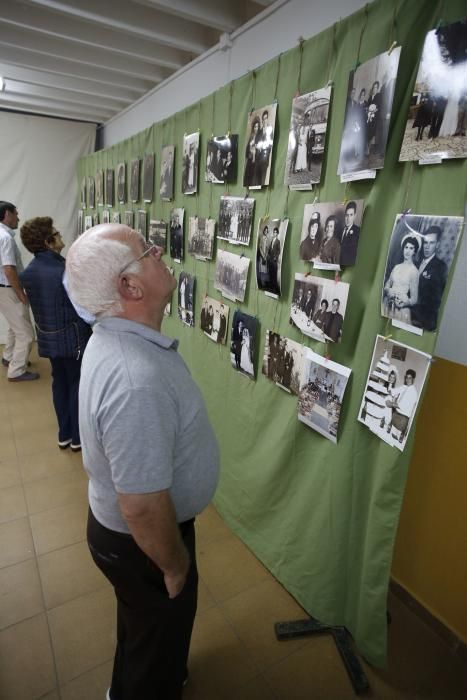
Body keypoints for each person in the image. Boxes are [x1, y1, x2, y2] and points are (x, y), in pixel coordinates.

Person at [65, 223, 220, 700]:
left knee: (145, 628)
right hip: (143, 542)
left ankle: (135, 682)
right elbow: (143, 505)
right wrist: (173, 567)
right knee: (157, 635)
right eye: (148, 251)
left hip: (129, 537)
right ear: (129, 287)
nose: (159, 253)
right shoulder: (136, 380)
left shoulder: (117, 340)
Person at [20, 217, 92, 450]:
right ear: (48, 242)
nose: (61, 235)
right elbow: (81, 307)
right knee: (77, 383)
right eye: (56, 233)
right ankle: (79, 438)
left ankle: (64, 434)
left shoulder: (29, 272)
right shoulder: (63, 270)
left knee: (59, 382)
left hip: (48, 337)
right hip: (73, 337)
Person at [0, 201, 38, 381]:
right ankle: (16, 371)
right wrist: (20, 293)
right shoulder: (5, 238)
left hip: (3, 289)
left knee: (15, 327)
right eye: (16, 213)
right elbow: (8, 269)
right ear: (7, 214)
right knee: (26, 334)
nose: (18, 218)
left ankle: (9, 357)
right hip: (8, 289)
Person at [411, 225, 448, 332]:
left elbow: (435, 302)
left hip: (423, 322)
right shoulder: (416, 263)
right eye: (426, 242)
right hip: (409, 315)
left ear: (437, 245)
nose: (427, 246)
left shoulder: (440, 267)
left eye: (431, 243)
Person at [383, 235, 420, 324]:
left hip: (401, 310)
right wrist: (389, 291)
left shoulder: (414, 271)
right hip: (387, 304)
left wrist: (403, 303)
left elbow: (414, 300)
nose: (407, 251)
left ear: (414, 251)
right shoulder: (397, 267)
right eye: (406, 247)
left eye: (411, 248)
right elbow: (387, 285)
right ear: (403, 249)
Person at [386, 369, 418, 443]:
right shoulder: (404, 387)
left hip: (402, 419)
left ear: (413, 379)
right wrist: (390, 382)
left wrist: (390, 404)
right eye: (406, 377)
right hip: (395, 414)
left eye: (409, 378)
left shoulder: (414, 393)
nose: (407, 380)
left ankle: (399, 434)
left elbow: (402, 406)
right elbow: (393, 391)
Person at [339, 201, 361, 267]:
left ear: (355, 216)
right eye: (346, 215)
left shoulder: (358, 231)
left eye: (351, 215)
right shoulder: (339, 231)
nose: (348, 218)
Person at [255, 110, 274, 185]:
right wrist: (257, 147)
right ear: (262, 120)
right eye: (263, 118)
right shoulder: (259, 132)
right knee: (257, 181)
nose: (264, 120)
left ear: (267, 119)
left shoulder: (270, 130)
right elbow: (256, 144)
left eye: (266, 118)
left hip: (265, 159)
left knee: (262, 182)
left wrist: (263, 147)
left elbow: (270, 145)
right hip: (257, 159)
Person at [244, 117, 260, 186]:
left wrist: (256, 150)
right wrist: (250, 152)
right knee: (247, 178)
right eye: (255, 127)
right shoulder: (251, 137)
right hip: (250, 161)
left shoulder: (259, 138)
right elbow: (247, 152)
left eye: (257, 127)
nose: (256, 128)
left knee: (253, 179)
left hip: (256, 161)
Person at [266, 227, 281, 294]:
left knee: (274, 273)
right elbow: (270, 248)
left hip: (274, 260)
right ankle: (270, 285)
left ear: (277, 233)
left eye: (276, 232)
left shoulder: (278, 241)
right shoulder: (272, 240)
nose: (275, 233)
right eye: (274, 232)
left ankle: (274, 287)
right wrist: (268, 255)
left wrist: (276, 257)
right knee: (270, 272)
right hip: (270, 259)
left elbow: (279, 251)